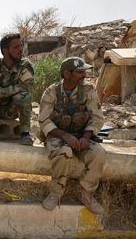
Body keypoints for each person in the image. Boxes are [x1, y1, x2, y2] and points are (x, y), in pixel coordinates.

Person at [37, 57, 106, 214]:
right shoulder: (51, 92)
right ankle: (55, 193)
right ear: (67, 73)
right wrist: (65, 137)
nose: (84, 75)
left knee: (99, 153)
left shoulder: (89, 91)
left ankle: (86, 194)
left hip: (82, 136)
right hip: (57, 136)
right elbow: (44, 120)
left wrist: (86, 137)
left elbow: (97, 118)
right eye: (80, 72)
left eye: (84, 72)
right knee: (65, 153)